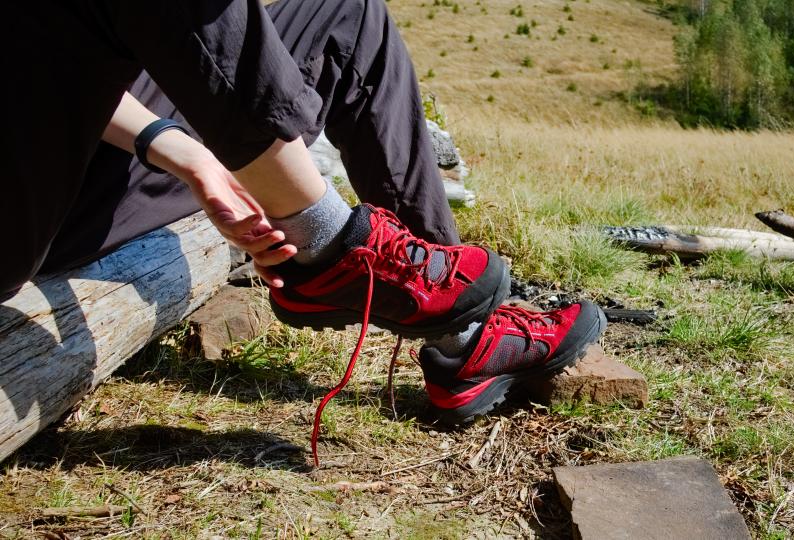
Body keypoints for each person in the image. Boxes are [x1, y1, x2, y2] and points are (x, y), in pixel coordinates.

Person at [4, 0, 605, 434]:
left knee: (347, 10)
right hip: (38, 205)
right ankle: (333, 249)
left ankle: (454, 328)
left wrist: (182, 151)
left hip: (85, 160)